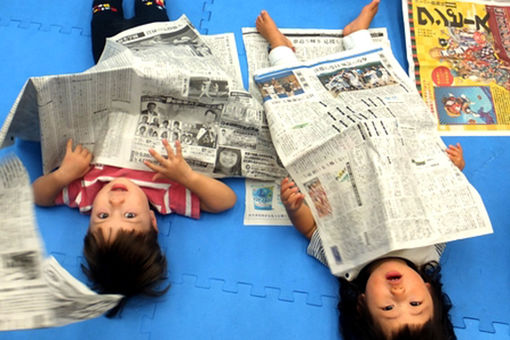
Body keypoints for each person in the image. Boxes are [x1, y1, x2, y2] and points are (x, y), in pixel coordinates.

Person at [256, 2, 459, 339]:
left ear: (362, 304)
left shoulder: (345, 263)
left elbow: (311, 231)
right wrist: (454, 168)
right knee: (387, 93)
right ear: (429, 290)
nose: (400, 295)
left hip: (333, 147)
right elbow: (443, 193)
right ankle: (358, 37)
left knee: (295, 116)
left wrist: (296, 208)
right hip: (386, 140)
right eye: (415, 304)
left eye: (389, 309)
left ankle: (280, 49)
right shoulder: (431, 251)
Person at [32, 138, 236, 315]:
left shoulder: (85, 193)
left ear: (89, 224)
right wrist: (187, 177)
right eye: (130, 216)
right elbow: (225, 200)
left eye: (103, 216)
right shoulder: (164, 194)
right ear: (152, 220)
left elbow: (38, 196)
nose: (115, 203)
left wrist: (62, 175)